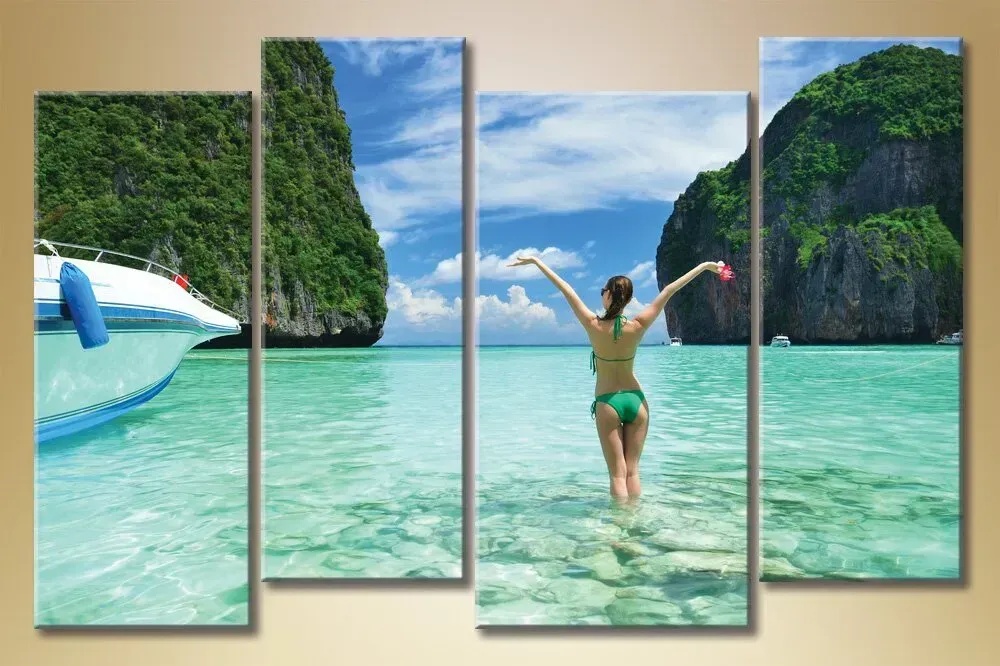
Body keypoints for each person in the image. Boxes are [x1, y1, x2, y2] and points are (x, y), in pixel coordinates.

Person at [507, 255, 725, 499]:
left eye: (603, 290)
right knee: (633, 472)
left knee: (617, 475)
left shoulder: (593, 324)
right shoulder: (638, 325)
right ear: (628, 299)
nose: (601, 293)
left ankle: (620, 524)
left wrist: (537, 262)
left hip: (608, 402)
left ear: (609, 295)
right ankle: (635, 518)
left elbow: (565, 289)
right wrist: (705, 266)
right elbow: (670, 290)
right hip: (637, 401)